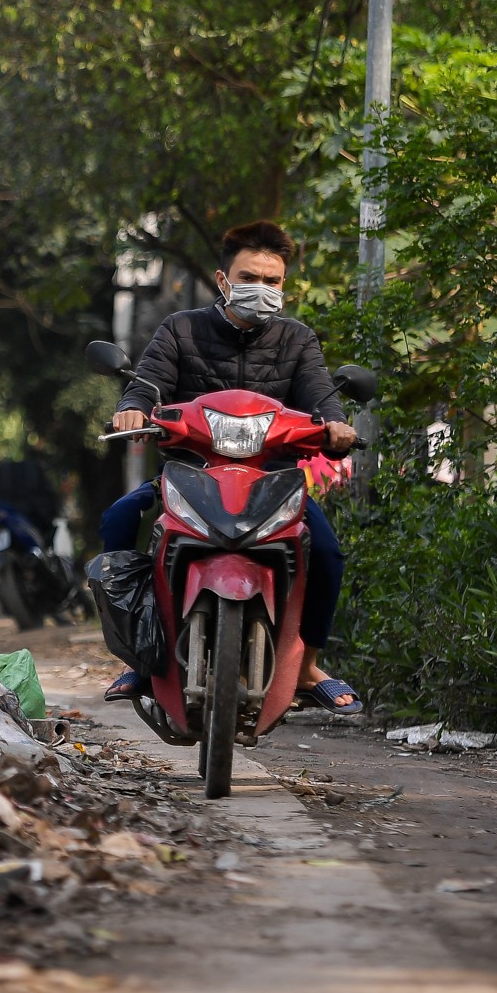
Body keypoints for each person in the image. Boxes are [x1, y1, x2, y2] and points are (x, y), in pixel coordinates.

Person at [100, 221, 362, 713]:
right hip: (189, 474)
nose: (262, 289)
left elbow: (322, 398)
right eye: (250, 278)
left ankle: (306, 667)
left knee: (325, 551)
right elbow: (148, 383)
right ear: (223, 280)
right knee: (118, 520)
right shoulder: (181, 329)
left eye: (273, 281)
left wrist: (336, 426)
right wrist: (133, 406)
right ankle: (141, 650)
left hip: (274, 481)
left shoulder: (297, 340)